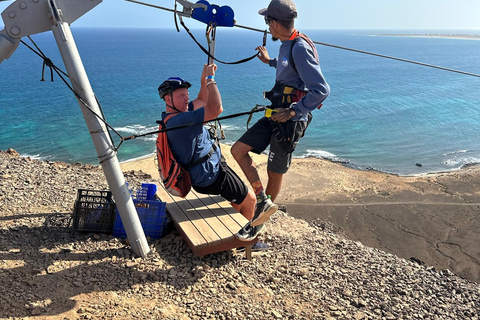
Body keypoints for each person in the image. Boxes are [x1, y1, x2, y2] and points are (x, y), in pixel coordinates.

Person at [231, 0, 330, 232]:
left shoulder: (299, 47)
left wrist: (295, 110)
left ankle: (259, 223)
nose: (266, 26)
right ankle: (262, 201)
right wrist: (269, 62)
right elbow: (289, 67)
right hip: (276, 113)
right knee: (238, 150)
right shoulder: (288, 44)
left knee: (274, 172)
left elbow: (321, 90)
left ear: (275, 23)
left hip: (290, 121)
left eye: (267, 21)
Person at [157, 64, 261, 241]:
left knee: (237, 200)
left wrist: (203, 76)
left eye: (186, 95)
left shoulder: (175, 116)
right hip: (211, 174)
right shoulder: (182, 121)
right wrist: (210, 80)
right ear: (168, 99)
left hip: (207, 171)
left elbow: (202, 99)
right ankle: (246, 242)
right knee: (250, 200)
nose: (186, 99)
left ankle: (231, 232)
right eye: (181, 95)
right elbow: (215, 108)